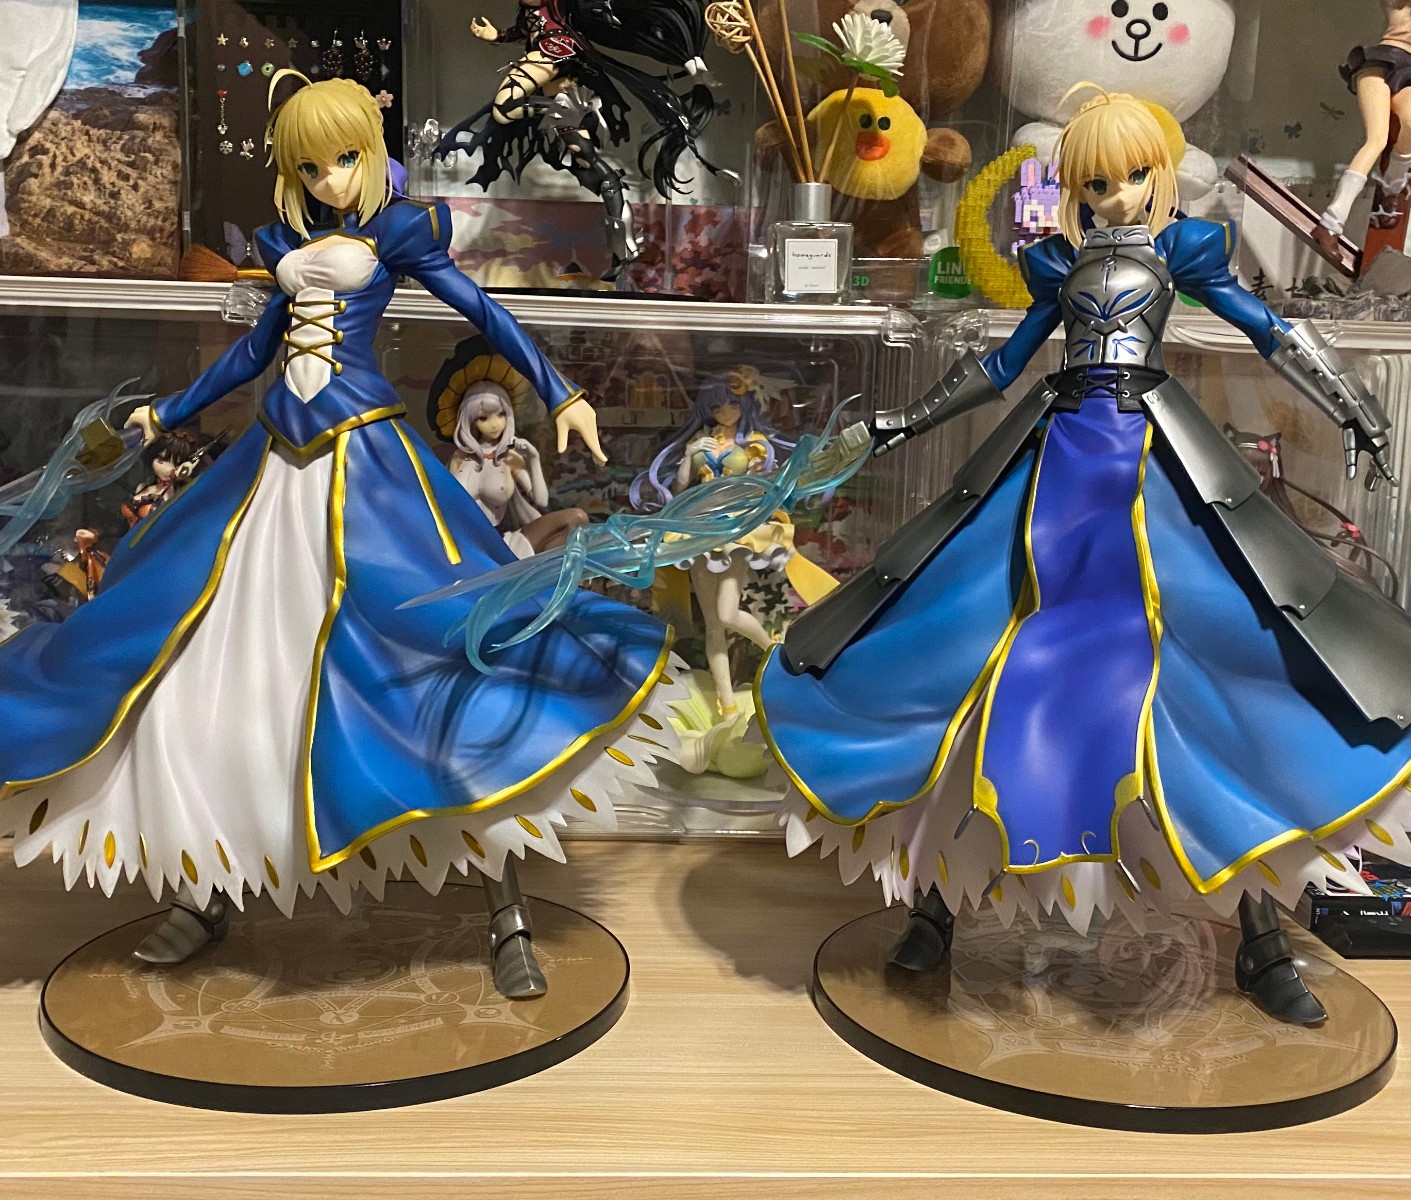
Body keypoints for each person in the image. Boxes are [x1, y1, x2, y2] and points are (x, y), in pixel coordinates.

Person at [0, 74, 681, 1001]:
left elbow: (484, 311)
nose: (329, 179)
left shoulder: (399, 231)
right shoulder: (284, 243)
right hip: (272, 465)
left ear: (372, 150)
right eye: (310, 166)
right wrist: (170, 410)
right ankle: (210, 889)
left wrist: (561, 392)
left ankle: (507, 909)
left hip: (368, 466)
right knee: (218, 669)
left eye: (345, 158)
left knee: (442, 652)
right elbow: (255, 353)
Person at [758, 86, 1411, 1026]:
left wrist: (1353, 404)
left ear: (1160, 171)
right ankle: (935, 903)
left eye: (1130, 176)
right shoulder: (1057, 260)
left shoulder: (1185, 248)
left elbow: (1265, 328)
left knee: (1223, 663)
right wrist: (905, 418)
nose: (1111, 197)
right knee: (971, 652)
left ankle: (1262, 933)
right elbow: (1000, 366)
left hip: (1151, 459)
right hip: (1053, 458)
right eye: (1093, 183)